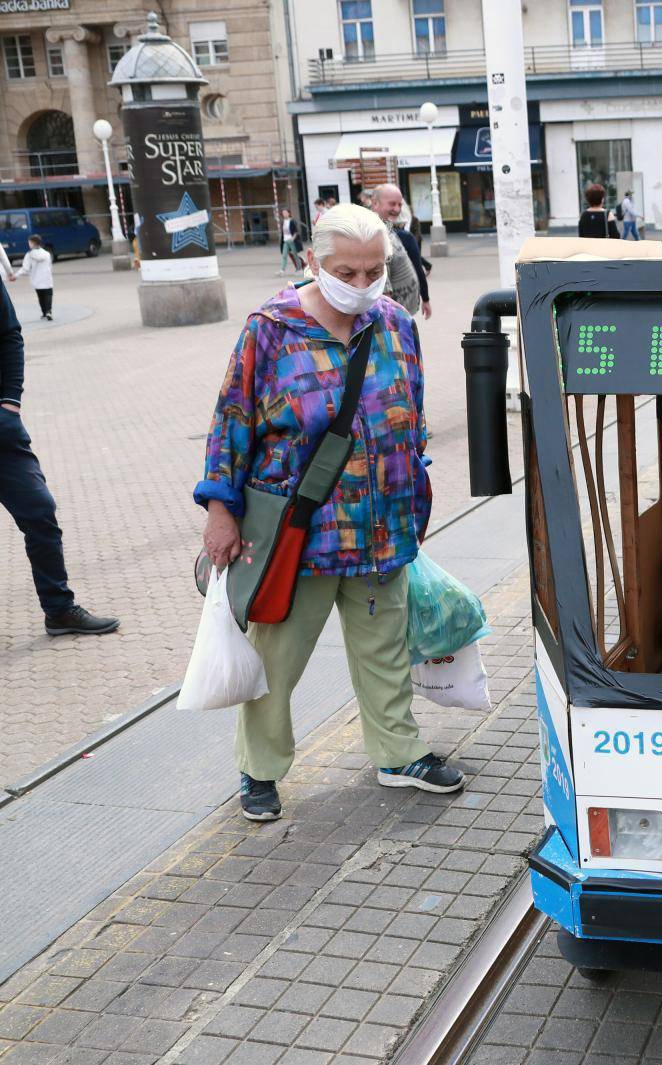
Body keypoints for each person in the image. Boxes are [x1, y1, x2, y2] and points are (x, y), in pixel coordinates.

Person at [195, 203, 464, 822]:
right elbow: (230, 424)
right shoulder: (270, 329)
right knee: (276, 660)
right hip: (300, 534)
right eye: (349, 270)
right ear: (312, 261)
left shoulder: (394, 323)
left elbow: (412, 412)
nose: (364, 284)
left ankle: (398, 753)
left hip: (381, 527)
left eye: (376, 271)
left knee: (385, 650)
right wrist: (220, 511)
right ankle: (259, 770)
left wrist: (414, 485)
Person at [0, 275, 119, 636]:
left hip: (2, 432)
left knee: (40, 511)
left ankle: (59, 609)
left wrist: (10, 402)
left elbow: (9, 335)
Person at [371, 184, 428, 319]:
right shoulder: (375, 235)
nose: (397, 209)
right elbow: (382, 284)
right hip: (393, 318)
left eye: (399, 205)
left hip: (403, 314)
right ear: (375, 203)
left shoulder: (386, 229)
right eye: (392, 204)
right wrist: (390, 321)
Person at [6, 236, 53, 321]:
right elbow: (50, 266)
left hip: (37, 280)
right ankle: (48, 311)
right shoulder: (47, 254)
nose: (29, 244)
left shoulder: (29, 255)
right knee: (48, 295)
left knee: (41, 296)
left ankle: (44, 313)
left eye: (29, 243)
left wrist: (15, 276)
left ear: (32, 243)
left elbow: (25, 269)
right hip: (47, 279)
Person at [278, 209, 304, 275]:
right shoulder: (283, 222)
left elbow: (296, 231)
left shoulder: (292, 221)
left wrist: (293, 238)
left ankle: (299, 269)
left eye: (286, 213)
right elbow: (283, 232)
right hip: (285, 241)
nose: (284, 214)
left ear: (289, 213)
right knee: (284, 255)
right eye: (283, 213)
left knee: (295, 255)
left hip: (292, 240)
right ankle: (282, 270)